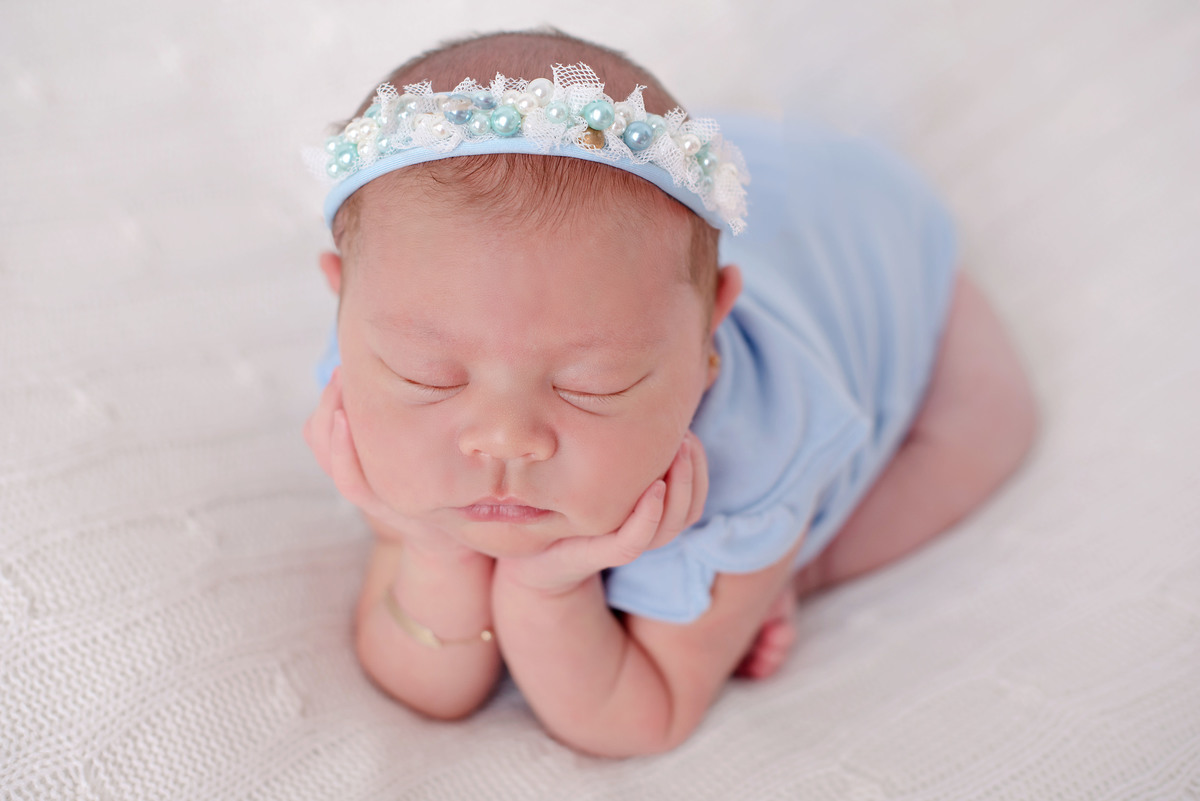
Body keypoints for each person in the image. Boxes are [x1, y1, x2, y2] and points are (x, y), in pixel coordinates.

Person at [301, 28, 1037, 757]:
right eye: (429, 375)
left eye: (593, 384)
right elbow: (429, 687)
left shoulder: (754, 454)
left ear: (710, 335)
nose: (505, 437)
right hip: (658, 204)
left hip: (869, 227)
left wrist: (546, 589)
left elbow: (636, 716)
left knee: (993, 422)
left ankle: (805, 563)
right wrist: (432, 551)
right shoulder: (384, 364)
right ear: (347, 306)